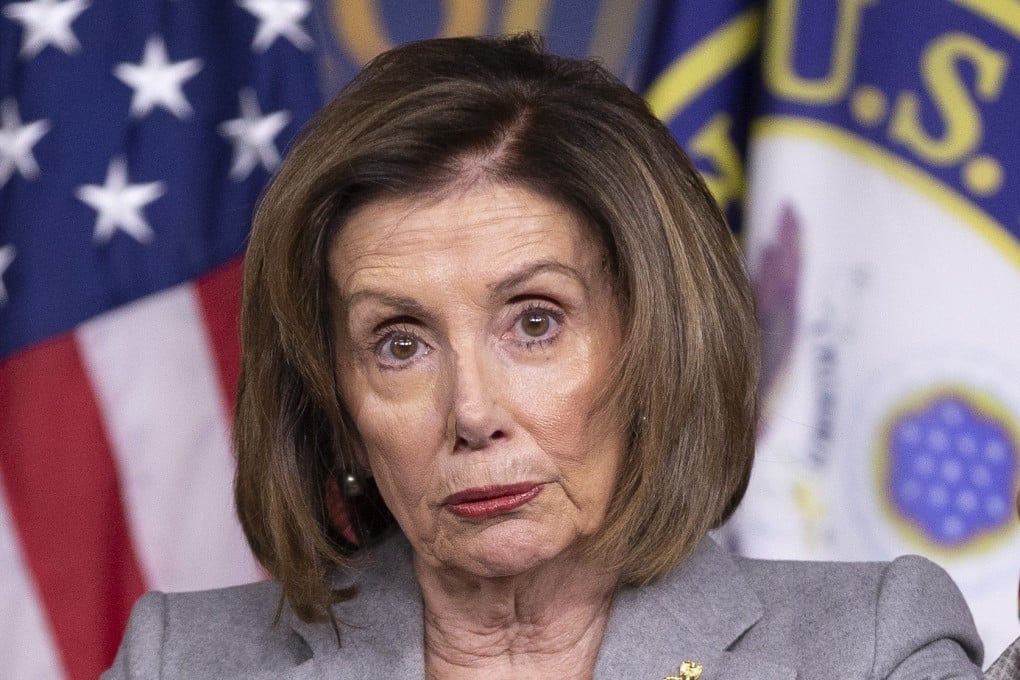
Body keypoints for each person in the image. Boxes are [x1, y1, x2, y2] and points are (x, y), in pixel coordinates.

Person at [103, 34, 985, 679]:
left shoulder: (869, 646)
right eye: (400, 344)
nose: (472, 412)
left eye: (535, 323)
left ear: (654, 345)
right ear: (333, 403)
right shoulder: (179, 660)